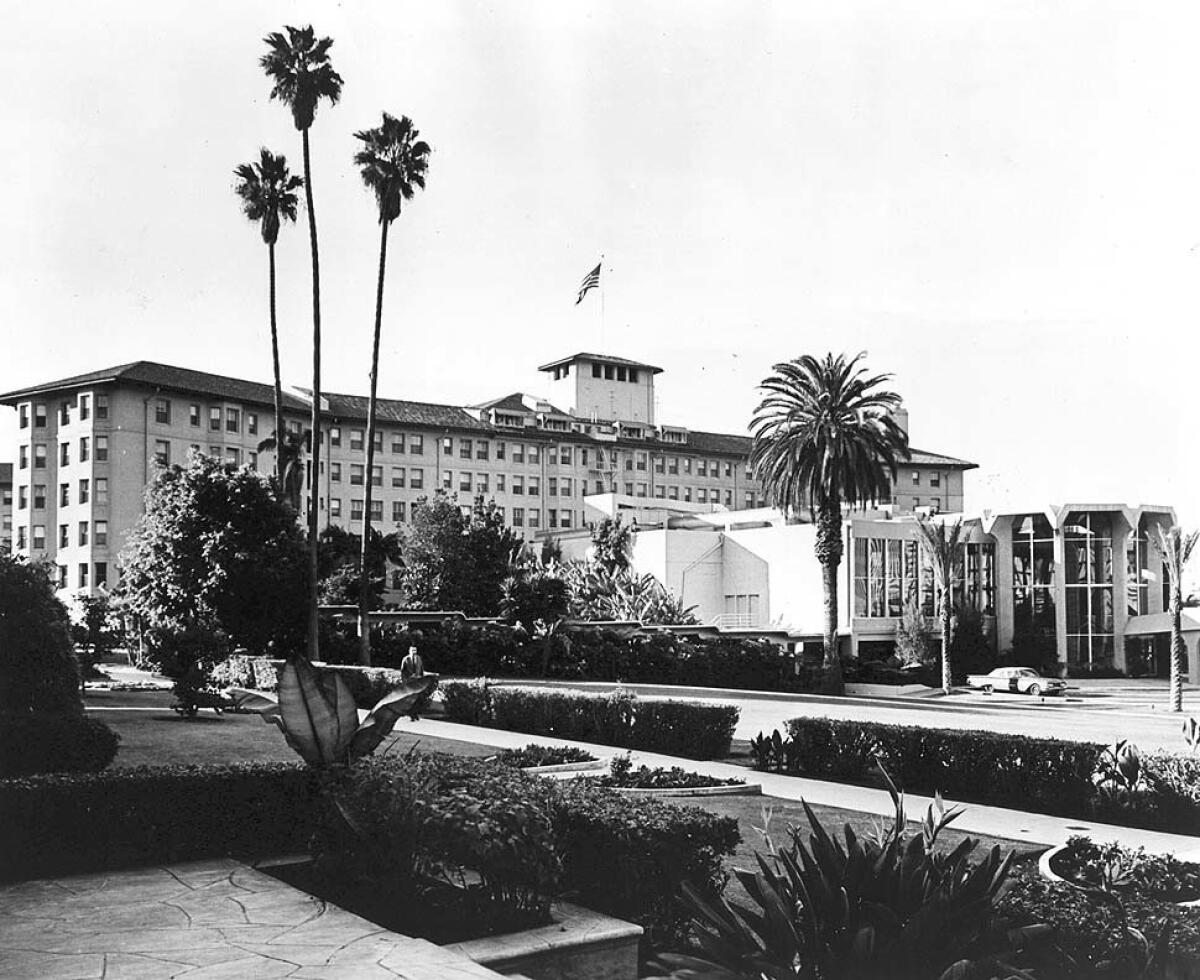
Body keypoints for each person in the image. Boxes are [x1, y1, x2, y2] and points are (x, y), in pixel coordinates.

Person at [400, 644, 426, 721]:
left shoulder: (419, 659)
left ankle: (414, 713)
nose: (414, 652)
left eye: (415, 650)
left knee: (418, 699)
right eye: (412, 650)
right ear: (409, 651)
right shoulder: (406, 659)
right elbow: (402, 672)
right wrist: (405, 681)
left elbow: (421, 670)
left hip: (417, 682)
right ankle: (411, 714)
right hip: (409, 682)